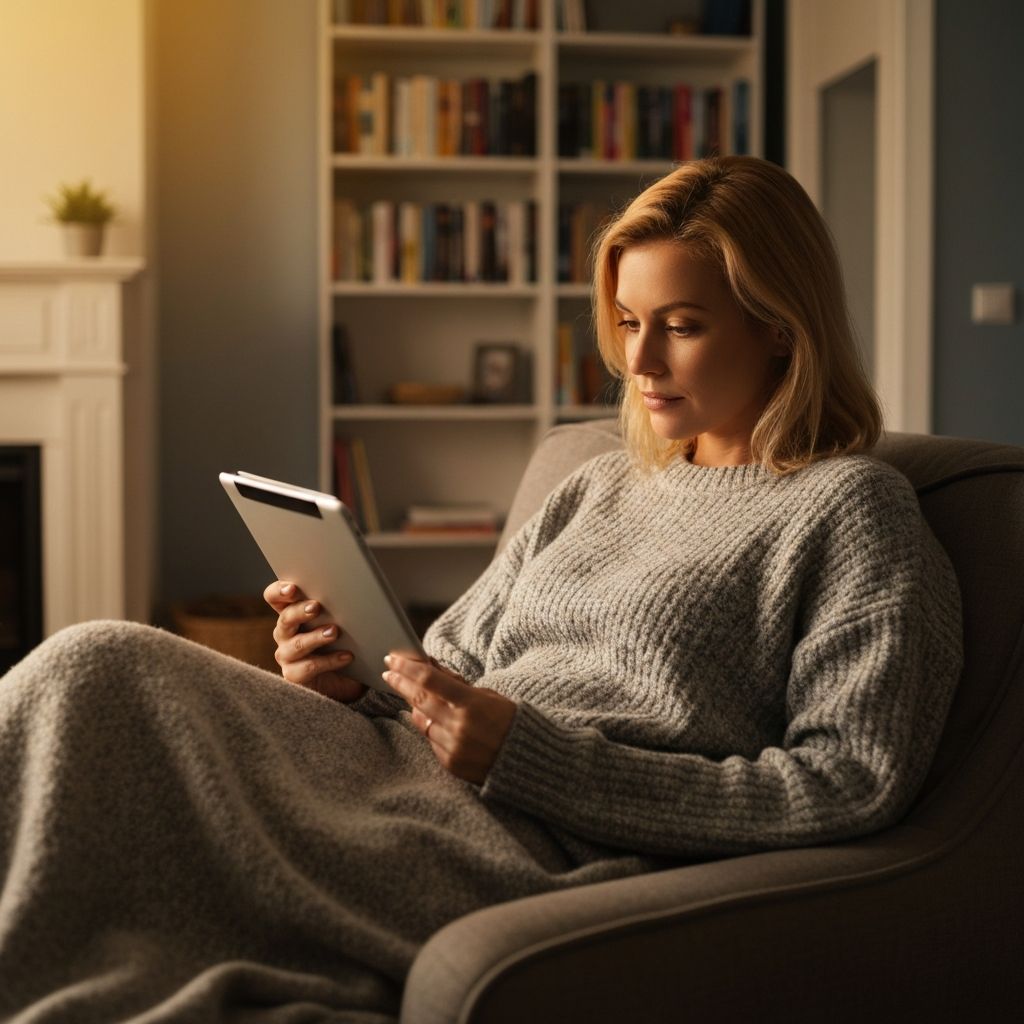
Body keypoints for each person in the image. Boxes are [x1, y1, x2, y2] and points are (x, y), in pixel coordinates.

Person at [0, 156, 962, 1023]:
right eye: (628, 323)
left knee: (104, 688)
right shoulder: (600, 482)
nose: (639, 361)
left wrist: (535, 759)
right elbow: (442, 667)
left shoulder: (851, 511)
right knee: (95, 662)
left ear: (783, 333)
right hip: (404, 774)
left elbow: (848, 785)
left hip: (536, 838)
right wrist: (345, 677)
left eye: (682, 326)